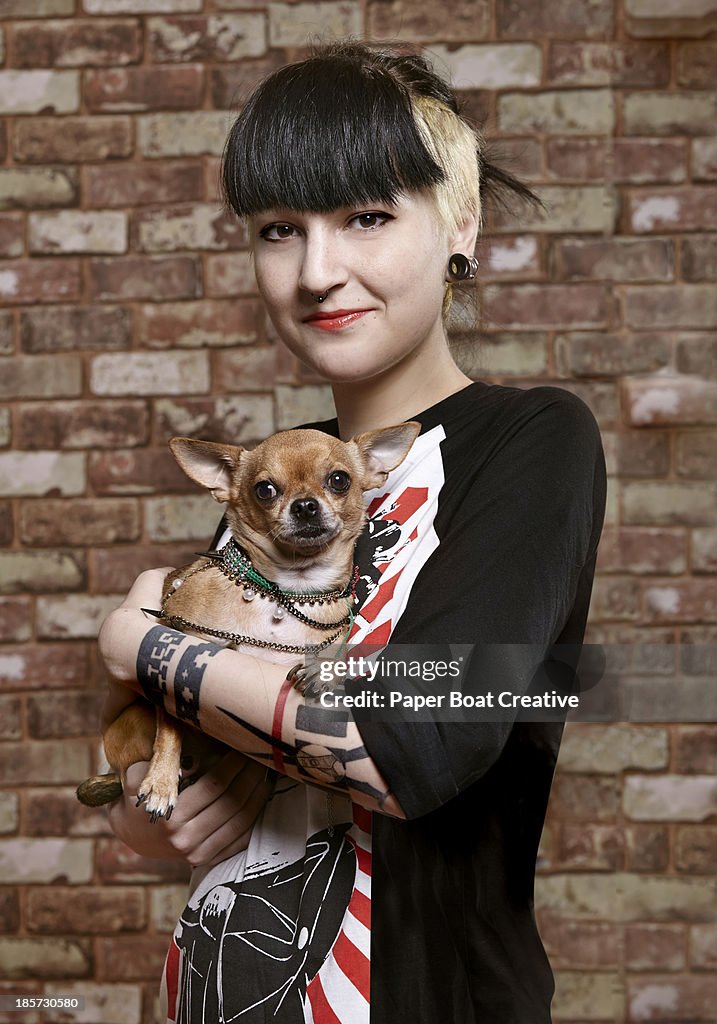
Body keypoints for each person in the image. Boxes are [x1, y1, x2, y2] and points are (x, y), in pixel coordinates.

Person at [100, 41, 606, 1024]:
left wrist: (145, 644)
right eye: (280, 229)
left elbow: (414, 741)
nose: (318, 271)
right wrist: (154, 799)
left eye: (367, 217)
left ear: (462, 225)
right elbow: (157, 819)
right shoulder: (285, 473)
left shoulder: (535, 440)